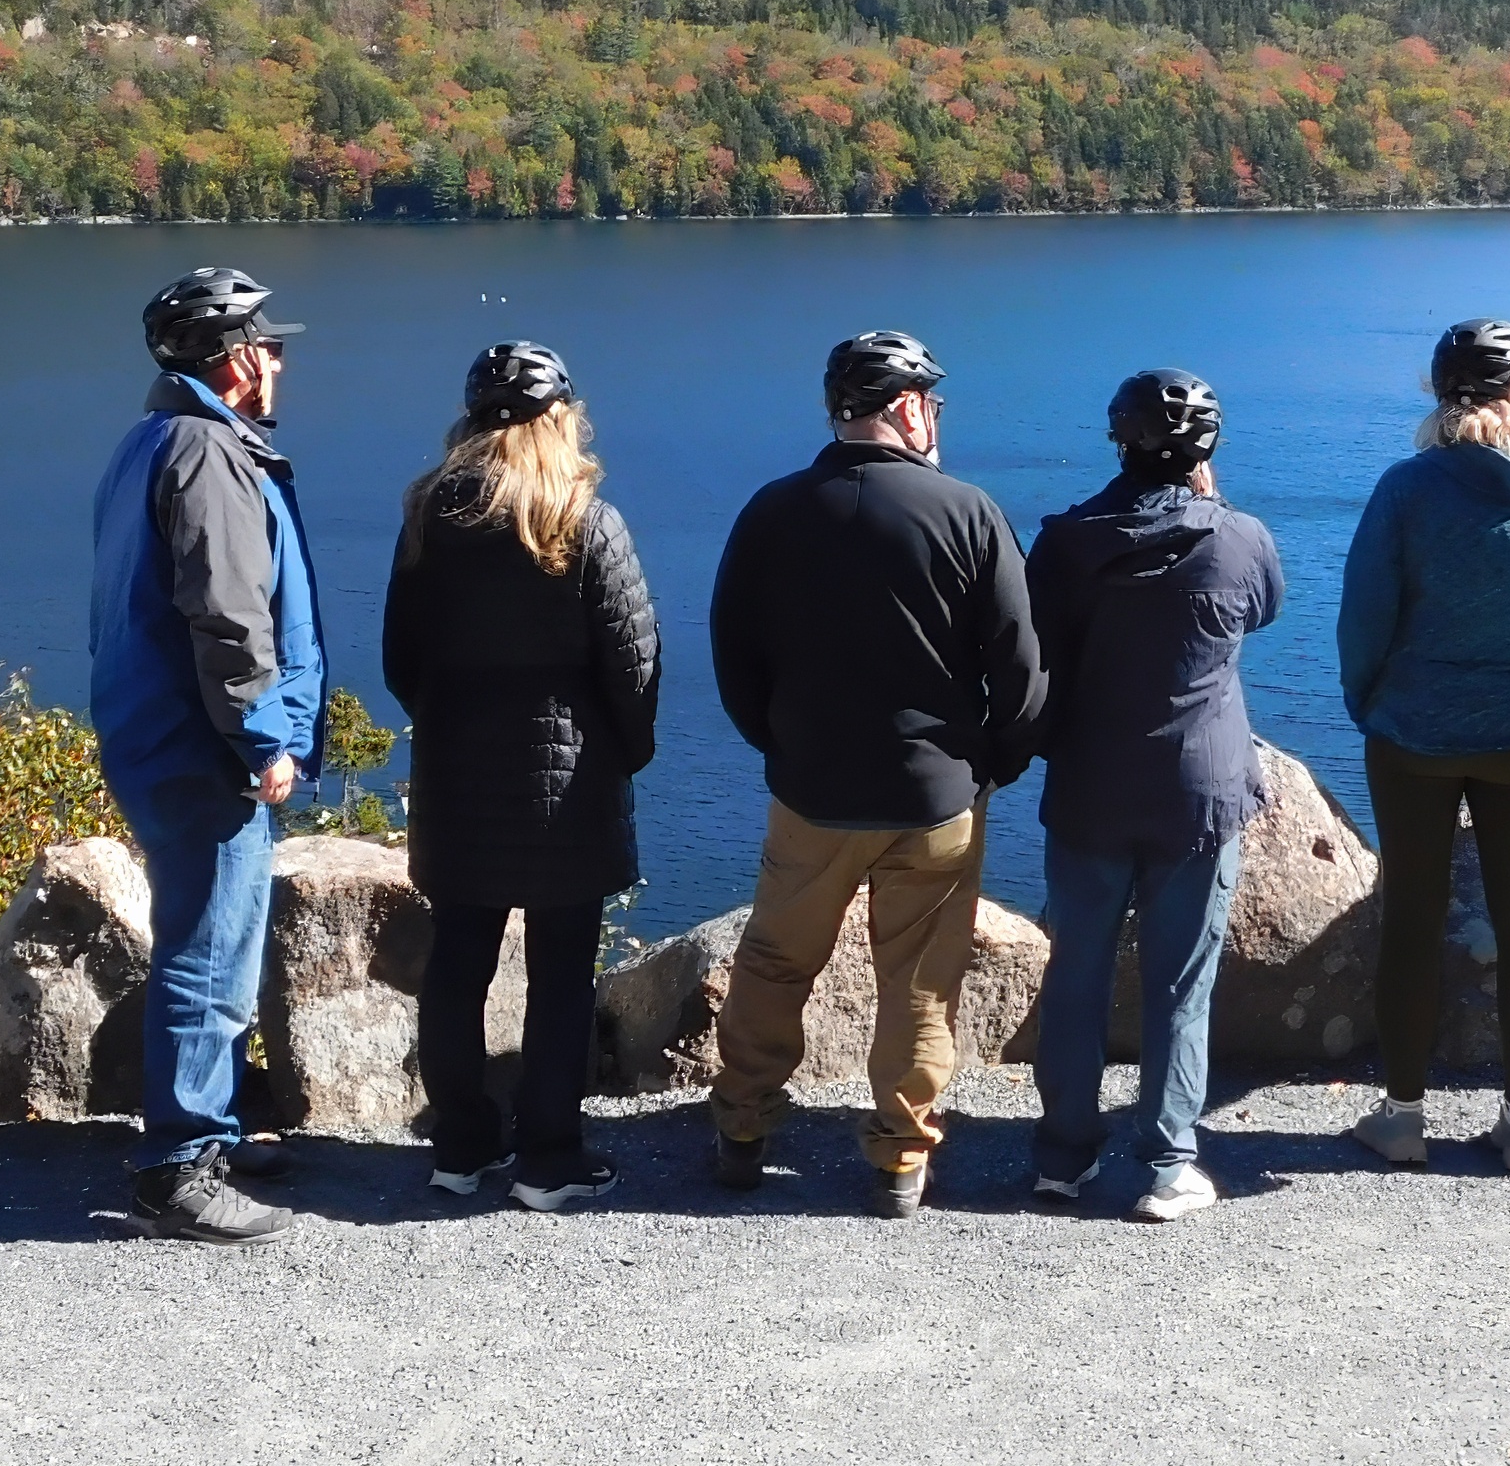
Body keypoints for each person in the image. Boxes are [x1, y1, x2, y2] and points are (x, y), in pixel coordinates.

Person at [701, 330, 1047, 1216]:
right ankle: (901, 1158)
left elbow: (734, 656)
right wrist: (991, 766)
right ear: (904, 408)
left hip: (811, 790)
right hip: (934, 796)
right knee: (922, 980)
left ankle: (742, 1125)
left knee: (776, 961)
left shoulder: (773, 511)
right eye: (930, 400)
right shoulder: (969, 511)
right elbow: (1019, 667)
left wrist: (776, 746)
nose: (935, 415)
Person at [380, 342, 661, 1213]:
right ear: (561, 419)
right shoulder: (585, 519)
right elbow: (635, 662)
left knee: (458, 963)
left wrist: (450, 722)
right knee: (561, 973)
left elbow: (400, 660)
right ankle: (548, 1155)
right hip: (566, 790)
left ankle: (461, 1147)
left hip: (458, 782)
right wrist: (623, 751)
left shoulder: (428, 515)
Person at [1334, 318, 1510, 1176]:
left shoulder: (1408, 489)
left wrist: (1370, 703)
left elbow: (1364, 618)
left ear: (1439, 394)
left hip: (1412, 735)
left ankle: (1403, 1118)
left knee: (1411, 918)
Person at [86, 266, 323, 1244]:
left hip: (160, 733)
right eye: (269, 345)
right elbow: (225, 614)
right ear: (235, 361)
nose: (279, 361)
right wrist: (264, 735)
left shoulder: (155, 441)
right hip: (202, 749)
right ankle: (177, 1166)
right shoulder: (206, 455)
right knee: (210, 950)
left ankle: (207, 1129)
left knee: (213, 936)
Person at [1023, 369, 1284, 1224]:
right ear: (1208, 450)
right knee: (1181, 981)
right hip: (1199, 793)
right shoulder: (1240, 538)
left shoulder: (1064, 543)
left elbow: (1035, 646)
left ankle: (1062, 1154)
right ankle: (1169, 1160)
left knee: (1076, 973)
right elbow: (1263, 612)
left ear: (1119, 439)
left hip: (1090, 785)